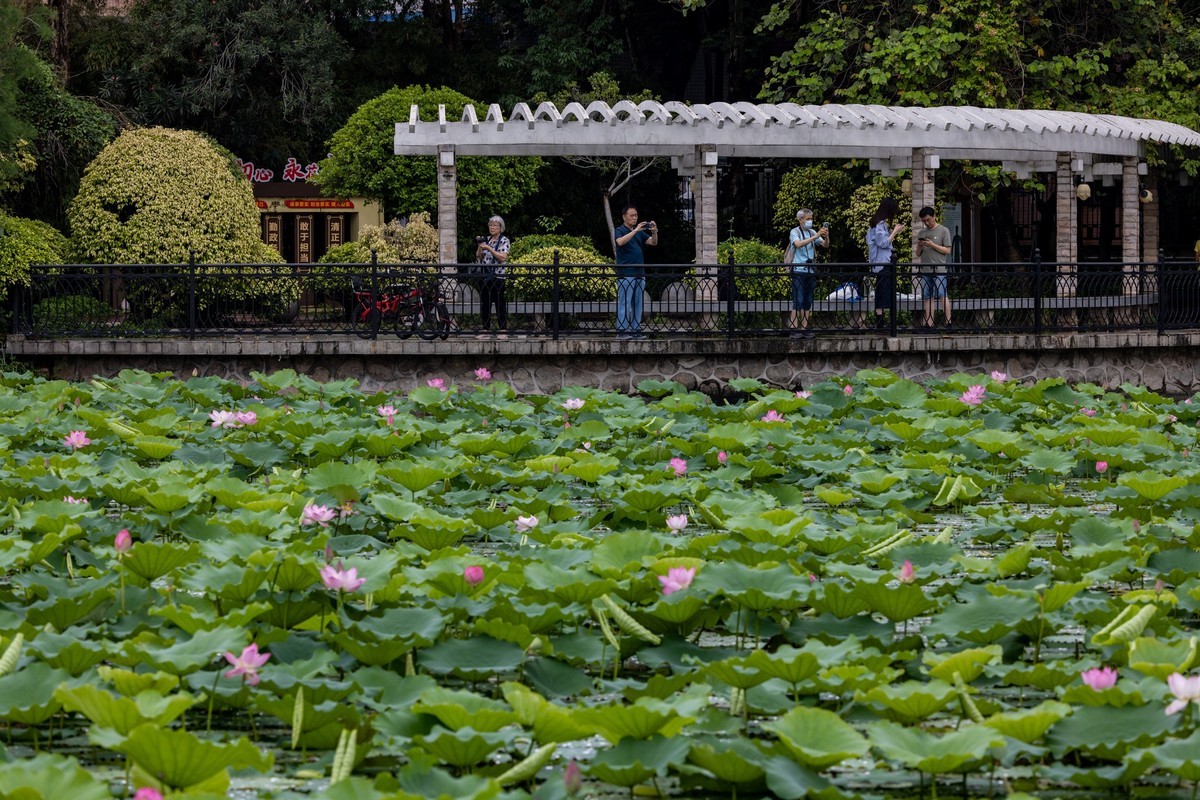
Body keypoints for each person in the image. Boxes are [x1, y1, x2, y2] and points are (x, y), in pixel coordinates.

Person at [613, 204, 658, 339]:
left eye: (636, 215)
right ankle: (622, 332)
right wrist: (635, 230)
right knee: (625, 302)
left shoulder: (639, 232)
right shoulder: (620, 230)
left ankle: (635, 330)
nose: (634, 217)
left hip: (639, 273)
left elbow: (653, 242)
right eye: (632, 215)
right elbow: (620, 242)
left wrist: (654, 231)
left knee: (638, 303)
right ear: (624, 217)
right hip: (626, 273)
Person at [786, 209, 830, 338]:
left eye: (811, 219)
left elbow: (824, 245)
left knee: (807, 301)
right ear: (800, 220)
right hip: (798, 270)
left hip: (810, 270)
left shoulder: (812, 232)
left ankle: (804, 328)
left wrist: (826, 237)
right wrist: (816, 236)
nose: (810, 221)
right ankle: (794, 329)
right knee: (798, 300)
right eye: (807, 219)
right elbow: (798, 244)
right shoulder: (794, 232)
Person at [866, 197, 906, 330]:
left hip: (882, 262)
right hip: (882, 262)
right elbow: (883, 243)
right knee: (882, 291)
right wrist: (894, 232)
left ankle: (881, 321)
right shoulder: (878, 224)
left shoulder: (878, 223)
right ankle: (880, 322)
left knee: (883, 291)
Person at [915, 206, 953, 330]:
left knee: (942, 294)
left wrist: (932, 245)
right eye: (924, 221)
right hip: (926, 270)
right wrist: (920, 246)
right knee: (927, 296)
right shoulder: (922, 233)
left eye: (928, 220)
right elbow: (917, 254)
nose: (927, 223)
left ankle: (948, 322)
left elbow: (947, 250)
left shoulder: (943, 230)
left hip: (939, 269)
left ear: (934, 216)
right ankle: (929, 323)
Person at [474, 215, 510, 338]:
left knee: (500, 304)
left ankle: (503, 330)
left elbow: (502, 257)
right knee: (485, 304)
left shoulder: (504, 240)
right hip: (485, 277)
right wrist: (480, 246)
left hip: (498, 277)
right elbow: (479, 257)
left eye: (495, 225)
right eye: (490, 225)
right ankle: (485, 330)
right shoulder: (487, 240)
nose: (492, 227)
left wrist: (489, 248)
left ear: (501, 227)